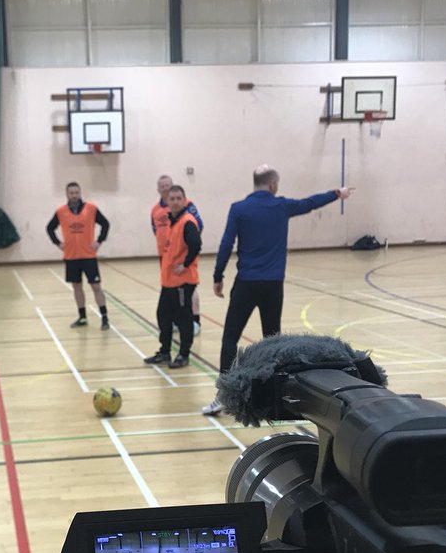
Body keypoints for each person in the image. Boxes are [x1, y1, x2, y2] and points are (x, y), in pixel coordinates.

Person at [201, 166, 354, 415]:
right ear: (272, 184)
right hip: (273, 285)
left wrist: (218, 275)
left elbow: (226, 243)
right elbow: (310, 203)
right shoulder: (281, 206)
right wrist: (336, 193)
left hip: (246, 284)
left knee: (230, 337)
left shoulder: (238, 208)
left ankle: (223, 396)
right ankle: (273, 398)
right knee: (273, 340)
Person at [144, 185, 201, 369]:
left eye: (178, 198)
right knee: (163, 315)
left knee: (183, 319)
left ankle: (184, 354)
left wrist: (184, 264)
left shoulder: (187, 221)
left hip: (183, 281)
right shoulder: (171, 221)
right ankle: (165, 351)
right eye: (172, 199)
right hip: (169, 281)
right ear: (167, 202)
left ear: (184, 201)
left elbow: (196, 245)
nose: (175, 202)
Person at [47, 182, 110, 329]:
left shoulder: (91, 209)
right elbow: (49, 228)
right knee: (76, 286)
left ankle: (104, 317)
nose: (74, 195)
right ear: (67, 194)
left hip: (88, 255)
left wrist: (99, 241)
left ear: (80, 193)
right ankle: (82, 317)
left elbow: (105, 224)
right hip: (71, 256)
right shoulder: (61, 211)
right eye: (71, 193)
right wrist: (58, 243)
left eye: (76, 192)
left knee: (96, 286)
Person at [151, 175, 204, 335]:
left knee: (187, 289)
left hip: (184, 257)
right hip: (166, 257)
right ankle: (175, 321)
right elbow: (155, 229)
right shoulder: (155, 209)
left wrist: (185, 251)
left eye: (168, 185)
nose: (165, 188)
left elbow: (197, 226)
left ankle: (194, 321)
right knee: (170, 291)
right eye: (162, 186)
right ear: (158, 189)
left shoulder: (186, 205)